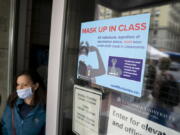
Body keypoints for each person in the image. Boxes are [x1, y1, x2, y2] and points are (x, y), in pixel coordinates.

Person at [1, 71, 46, 135]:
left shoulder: (43, 110)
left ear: (35, 86)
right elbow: (4, 126)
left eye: (25, 85)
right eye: (18, 84)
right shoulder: (12, 104)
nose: (20, 88)